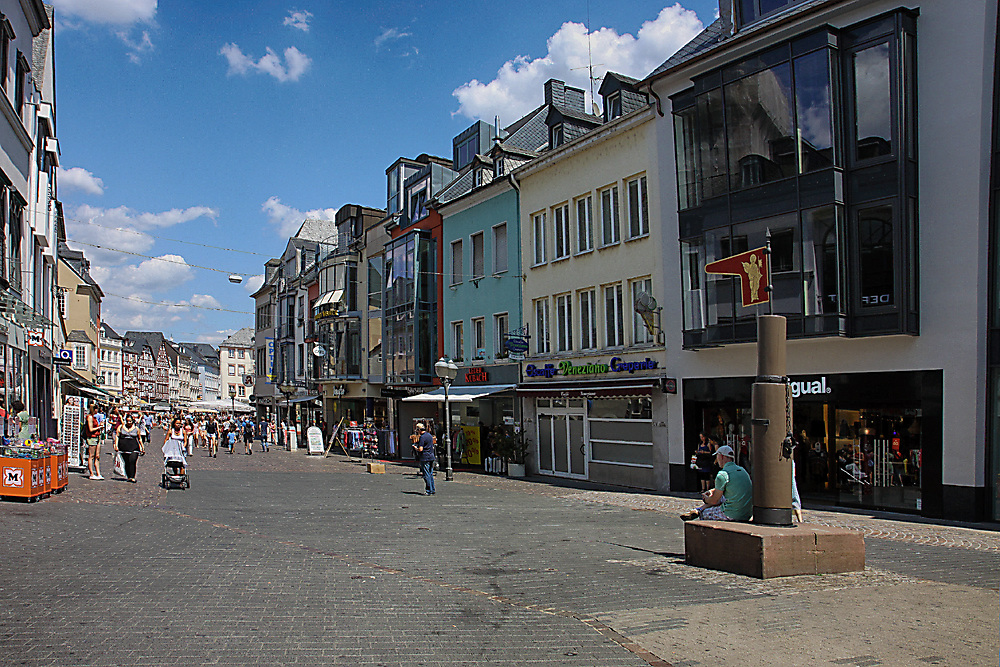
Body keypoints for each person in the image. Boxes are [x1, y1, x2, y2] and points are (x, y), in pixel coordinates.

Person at [680, 445, 752, 522]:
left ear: (721, 456)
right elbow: (728, 487)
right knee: (722, 498)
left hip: (732, 514)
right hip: (746, 514)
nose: (716, 460)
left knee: (704, 514)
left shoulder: (722, 475)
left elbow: (714, 501)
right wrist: (711, 491)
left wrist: (706, 499)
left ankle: (700, 511)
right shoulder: (742, 470)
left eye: (717, 456)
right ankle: (698, 509)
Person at [115, 413, 144, 483]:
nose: (128, 423)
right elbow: (117, 436)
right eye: (127, 421)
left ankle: (132, 477)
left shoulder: (136, 429)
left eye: (130, 421)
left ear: (132, 421)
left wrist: (142, 447)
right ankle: (128, 476)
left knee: (132, 461)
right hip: (124, 447)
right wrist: (116, 445)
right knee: (126, 462)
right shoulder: (121, 427)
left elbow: (139, 438)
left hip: (134, 447)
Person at [413, 422, 436, 495]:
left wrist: (415, 448)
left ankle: (428, 490)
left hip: (425, 457)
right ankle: (432, 489)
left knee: (426, 474)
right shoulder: (429, 435)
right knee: (430, 473)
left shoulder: (422, 437)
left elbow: (420, 449)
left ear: (419, 430)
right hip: (431, 456)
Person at [85, 403, 104, 480]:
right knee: (91, 456)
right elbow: (91, 429)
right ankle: (91, 473)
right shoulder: (89, 417)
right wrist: (99, 427)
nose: (98, 410)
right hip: (92, 438)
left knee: (97, 456)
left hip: (97, 437)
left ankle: (98, 473)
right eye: (96, 409)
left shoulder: (94, 417)